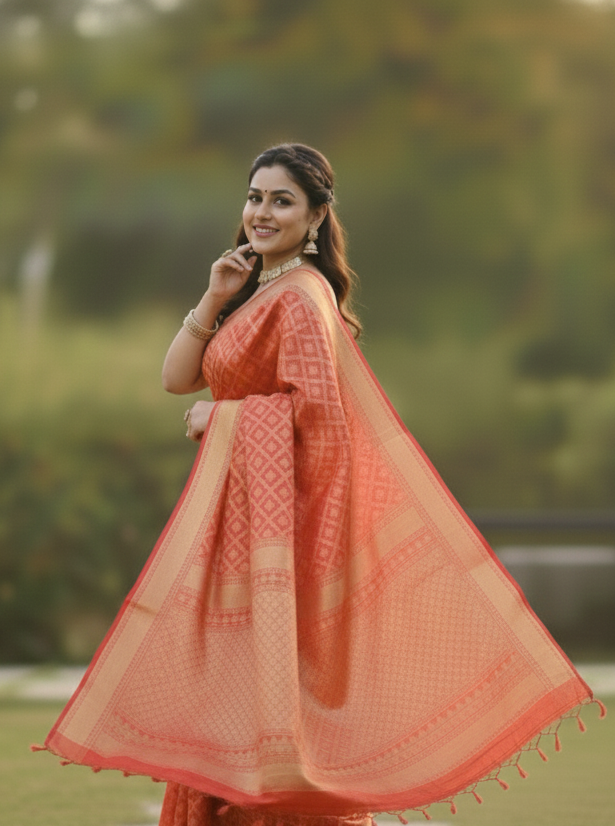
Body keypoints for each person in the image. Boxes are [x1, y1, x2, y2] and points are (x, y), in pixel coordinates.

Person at [41, 144, 604, 826]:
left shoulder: (302, 299)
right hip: (243, 530)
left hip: (279, 537)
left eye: (281, 201)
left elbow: (322, 428)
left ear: (314, 218)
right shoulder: (258, 292)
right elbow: (175, 378)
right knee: (233, 718)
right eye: (254, 197)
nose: (261, 212)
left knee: (261, 727)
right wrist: (214, 295)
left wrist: (223, 421)